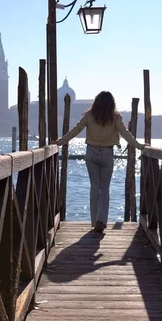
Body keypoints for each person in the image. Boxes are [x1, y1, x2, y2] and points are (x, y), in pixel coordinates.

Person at [54, 91, 147, 233]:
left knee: (94, 187)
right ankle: (101, 220)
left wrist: (60, 142)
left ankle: (94, 221)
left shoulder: (89, 115)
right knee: (104, 188)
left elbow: (75, 131)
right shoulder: (115, 118)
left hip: (91, 152)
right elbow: (126, 135)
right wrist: (139, 146)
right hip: (107, 153)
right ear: (112, 103)